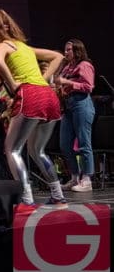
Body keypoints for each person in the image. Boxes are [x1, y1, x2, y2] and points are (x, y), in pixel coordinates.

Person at [0, 7, 67, 209]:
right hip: (49, 96)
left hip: (30, 95)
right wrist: (44, 78)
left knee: (12, 149)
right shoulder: (25, 47)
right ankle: (58, 196)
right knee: (37, 150)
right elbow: (58, 57)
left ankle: (26, 199)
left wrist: (13, 83)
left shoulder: (2, 46)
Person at [54, 38, 95, 192]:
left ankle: (87, 180)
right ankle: (74, 177)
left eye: (68, 50)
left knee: (84, 143)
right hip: (68, 106)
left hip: (81, 103)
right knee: (64, 144)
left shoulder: (84, 65)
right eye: (65, 50)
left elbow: (88, 86)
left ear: (77, 50)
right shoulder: (66, 68)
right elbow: (61, 84)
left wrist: (68, 83)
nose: (66, 53)